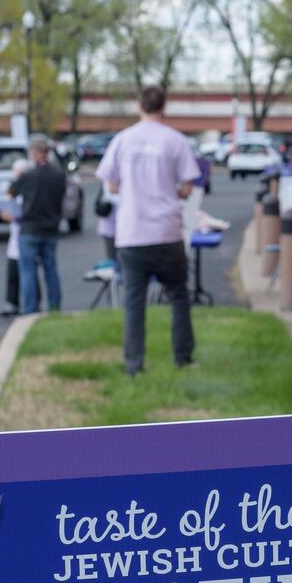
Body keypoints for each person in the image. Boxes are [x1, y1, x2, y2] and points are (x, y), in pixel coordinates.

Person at [100, 84, 202, 376]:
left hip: (132, 232)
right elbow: (187, 185)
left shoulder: (123, 140)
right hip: (166, 230)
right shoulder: (175, 140)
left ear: (139, 106)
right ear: (164, 106)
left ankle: (134, 364)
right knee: (179, 296)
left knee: (134, 302)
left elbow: (111, 184)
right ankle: (182, 356)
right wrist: (172, 191)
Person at [7, 135, 67, 314]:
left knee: (28, 271)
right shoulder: (58, 175)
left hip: (29, 228)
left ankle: (31, 310)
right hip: (51, 227)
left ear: (33, 153)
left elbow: (11, 192)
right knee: (51, 269)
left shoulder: (28, 175)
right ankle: (55, 307)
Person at [0, 160, 36, 319]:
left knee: (28, 272)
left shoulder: (31, 188)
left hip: (27, 233)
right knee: (13, 271)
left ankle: (32, 304)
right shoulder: (14, 189)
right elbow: (6, 207)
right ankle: (11, 303)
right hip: (16, 236)